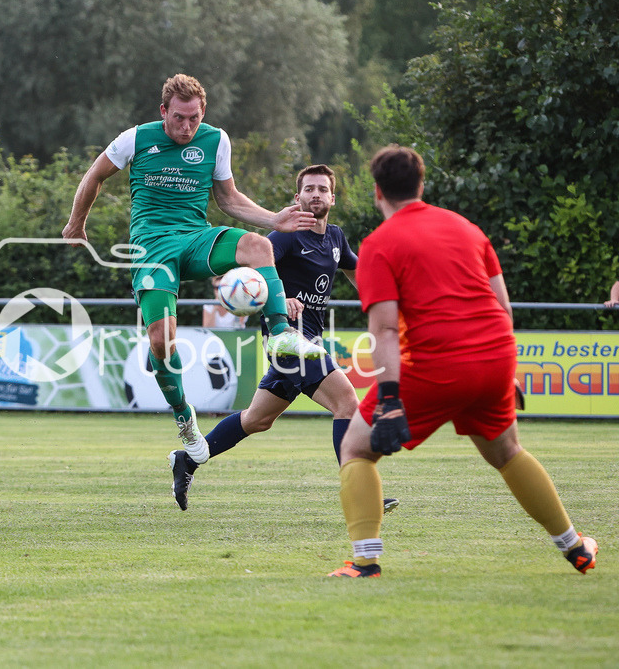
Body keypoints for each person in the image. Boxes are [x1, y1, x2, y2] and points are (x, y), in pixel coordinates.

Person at [327, 145, 597, 578]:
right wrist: (504, 374)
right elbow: (502, 308)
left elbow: (384, 331)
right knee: (508, 451)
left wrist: (391, 398)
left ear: (377, 192)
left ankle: (364, 562)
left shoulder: (379, 245)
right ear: (421, 184)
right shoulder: (466, 228)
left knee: (355, 449)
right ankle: (575, 546)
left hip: (437, 364)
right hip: (496, 356)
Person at [62, 73, 324, 465]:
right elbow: (95, 174)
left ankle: (281, 336)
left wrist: (273, 219)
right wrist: (76, 222)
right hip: (151, 247)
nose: (187, 127)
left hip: (195, 236)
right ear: (163, 111)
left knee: (256, 245)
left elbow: (228, 199)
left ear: (203, 114)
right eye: (179, 118)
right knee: (161, 342)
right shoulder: (135, 138)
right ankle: (184, 416)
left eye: (194, 119)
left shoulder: (216, 141)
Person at [169, 165, 399, 514]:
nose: (316, 194)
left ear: (332, 198)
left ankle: (188, 459)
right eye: (309, 189)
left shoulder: (336, 239)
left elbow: (358, 274)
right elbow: (251, 274)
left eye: (323, 189)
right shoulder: (287, 237)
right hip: (287, 341)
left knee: (257, 420)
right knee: (348, 403)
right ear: (298, 197)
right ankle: (360, 493)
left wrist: (385, 305)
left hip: (309, 341)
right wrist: (276, 302)